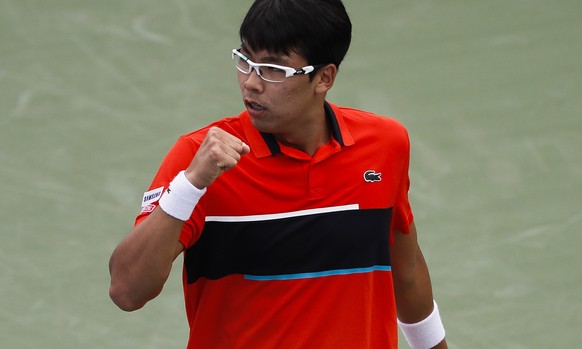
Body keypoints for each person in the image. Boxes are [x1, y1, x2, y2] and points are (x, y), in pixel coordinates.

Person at [109, 0, 448, 348]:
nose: (251, 83)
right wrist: (190, 184)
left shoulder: (384, 145)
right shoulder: (198, 158)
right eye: (245, 60)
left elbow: (405, 271)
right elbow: (127, 290)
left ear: (324, 77)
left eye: (274, 69)